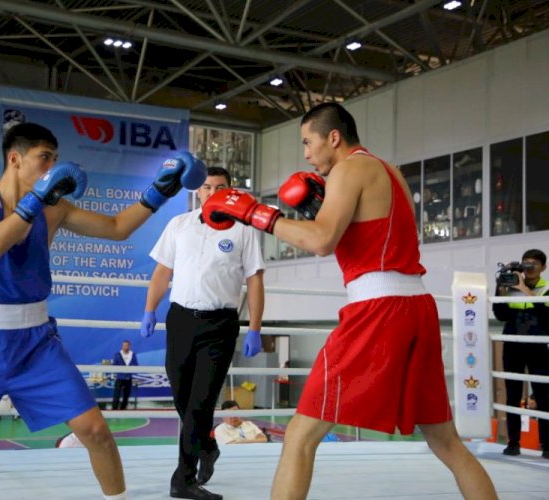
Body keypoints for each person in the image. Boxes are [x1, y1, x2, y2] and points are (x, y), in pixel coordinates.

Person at [201, 102, 498, 500]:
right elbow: (371, 236)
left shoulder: (349, 169)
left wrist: (256, 213)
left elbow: (322, 241)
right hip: (417, 307)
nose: (306, 153)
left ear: (333, 138)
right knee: (445, 441)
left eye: (308, 142)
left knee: (300, 436)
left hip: (378, 310)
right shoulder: (389, 171)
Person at [0, 122, 206, 500]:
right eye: (45, 158)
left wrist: (158, 193)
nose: (53, 168)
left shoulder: (52, 209)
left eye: (55, 160)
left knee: (96, 432)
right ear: (15, 159)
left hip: (36, 343)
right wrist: (34, 201)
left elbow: (116, 227)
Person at [141, 165, 265, 500]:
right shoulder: (179, 225)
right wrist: (149, 309)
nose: (213, 192)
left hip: (219, 326)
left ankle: (183, 478)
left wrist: (255, 327)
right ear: (198, 191)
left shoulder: (244, 229)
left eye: (220, 187)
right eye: (207, 187)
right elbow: (162, 271)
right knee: (183, 398)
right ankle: (207, 446)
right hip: (180, 320)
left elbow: (254, 280)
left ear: (231, 190)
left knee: (199, 403)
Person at [492, 248, 549, 459]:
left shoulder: (546, 289)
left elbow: (546, 317)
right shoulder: (511, 285)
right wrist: (501, 289)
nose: (529, 268)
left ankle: (547, 445)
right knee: (512, 396)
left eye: (534, 264)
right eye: (526, 263)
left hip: (538, 348)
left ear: (543, 267)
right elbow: (500, 314)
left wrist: (525, 289)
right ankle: (513, 442)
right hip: (513, 347)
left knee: (544, 397)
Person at [111, 340, 139, 410]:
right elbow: (114, 365)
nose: (125, 347)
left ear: (129, 346)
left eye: (127, 345)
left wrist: (130, 368)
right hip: (119, 378)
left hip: (128, 378)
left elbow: (136, 365)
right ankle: (114, 409)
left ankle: (123, 409)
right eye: (124, 345)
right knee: (116, 395)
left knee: (126, 395)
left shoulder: (133, 355)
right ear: (122, 346)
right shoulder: (117, 355)